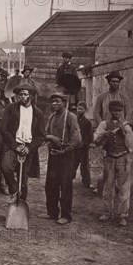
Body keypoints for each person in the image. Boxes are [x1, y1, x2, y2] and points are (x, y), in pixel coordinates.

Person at [93, 100, 133, 227]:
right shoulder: (103, 124)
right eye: (114, 110)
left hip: (123, 158)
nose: (116, 113)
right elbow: (95, 140)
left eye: (119, 111)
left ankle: (122, 215)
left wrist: (125, 133)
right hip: (109, 159)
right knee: (108, 186)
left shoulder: (126, 126)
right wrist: (104, 135)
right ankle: (107, 212)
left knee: (124, 187)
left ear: (121, 112)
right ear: (110, 111)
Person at [0, 83, 45, 202]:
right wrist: (15, 147)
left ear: (30, 96)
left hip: (28, 148)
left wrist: (29, 148)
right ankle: (14, 189)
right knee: (6, 167)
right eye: (20, 95)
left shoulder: (38, 113)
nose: (22, 97)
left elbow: (41, 136)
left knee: (23, 179)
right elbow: (4, 129)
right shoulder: (11, 109)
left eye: (25, 94)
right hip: (12, 145)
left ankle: (21, 204)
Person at [44, 93, 82, 224]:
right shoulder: (52, 117)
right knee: (51, 185)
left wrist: (65, 149)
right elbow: (45, 133)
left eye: (57, 101)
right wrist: (51, 138)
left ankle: (65, 215)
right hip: (53, 155)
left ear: (64, 103)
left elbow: (77, 139)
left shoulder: (71, 117)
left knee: (65, 186)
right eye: (53, 101)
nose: (54, 104)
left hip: (66, 156)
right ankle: (52, 212)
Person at [74, 101, 93, 188]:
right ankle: (69, 179)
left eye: (81, 109)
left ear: (85, 110)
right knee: (72, 163)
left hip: (84, 148)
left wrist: (84, 143)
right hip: (74, 147)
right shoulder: (73, 120)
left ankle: (86, 182)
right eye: (78, 109)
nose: (79, 111)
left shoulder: (88, 123)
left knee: (84, 165)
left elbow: (90, 135)